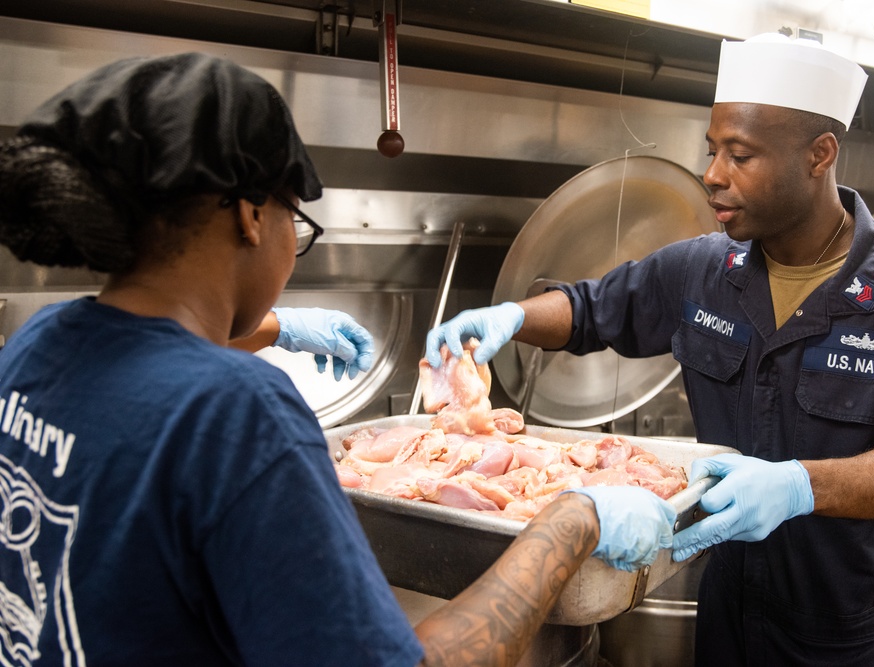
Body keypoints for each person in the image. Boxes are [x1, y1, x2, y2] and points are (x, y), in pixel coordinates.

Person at [0, 52, 679, 666]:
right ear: (248, 215)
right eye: (295, 220)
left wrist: (271, 327)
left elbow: (145, 385)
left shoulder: (41, 342)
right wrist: (571, 522)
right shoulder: (238, 411)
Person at [426, 34, 874, 665]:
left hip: (859, 637)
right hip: (730, 618)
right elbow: (592, 309)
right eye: (712, 150)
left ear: (819, 155)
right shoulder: (705, 268)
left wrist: (800, 487)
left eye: (740, 155)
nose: (713, 175)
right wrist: (506, 318)